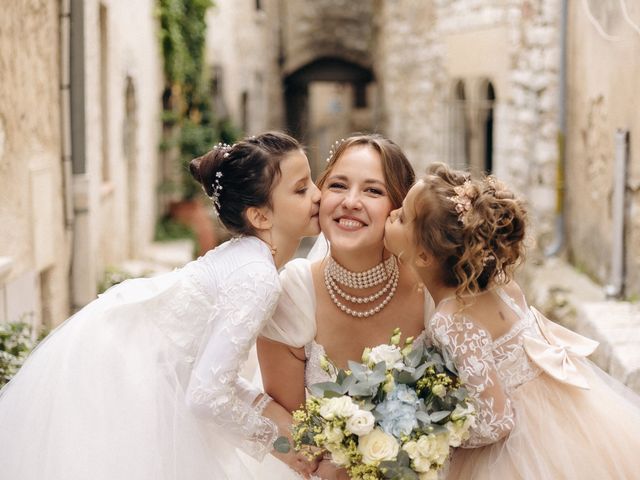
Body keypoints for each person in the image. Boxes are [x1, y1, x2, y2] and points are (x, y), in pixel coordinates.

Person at [0, 132, 322, 480]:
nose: (319, 195)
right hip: (126, 371)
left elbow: (211, 371)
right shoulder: (258, 277)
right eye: (302, 189)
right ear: (260, 216)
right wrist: (282, 449)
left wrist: (274, 416)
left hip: (123, 351)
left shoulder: (248, 257)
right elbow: (206, 394)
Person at [383, 162, 640, 479]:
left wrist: (432, 429)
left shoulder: (451, 321)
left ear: (423, 256)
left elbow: (496, 422)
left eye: (402, 217)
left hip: (520, 451)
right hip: (565, 416)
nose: (392, 214)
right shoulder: (504, 287)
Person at [256, 134, 434, 479]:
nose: (351, 201)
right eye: (338, 185)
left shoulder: (431, 288)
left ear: (400, 208)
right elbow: (294, 430)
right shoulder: (294, 292)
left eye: (373, 191)